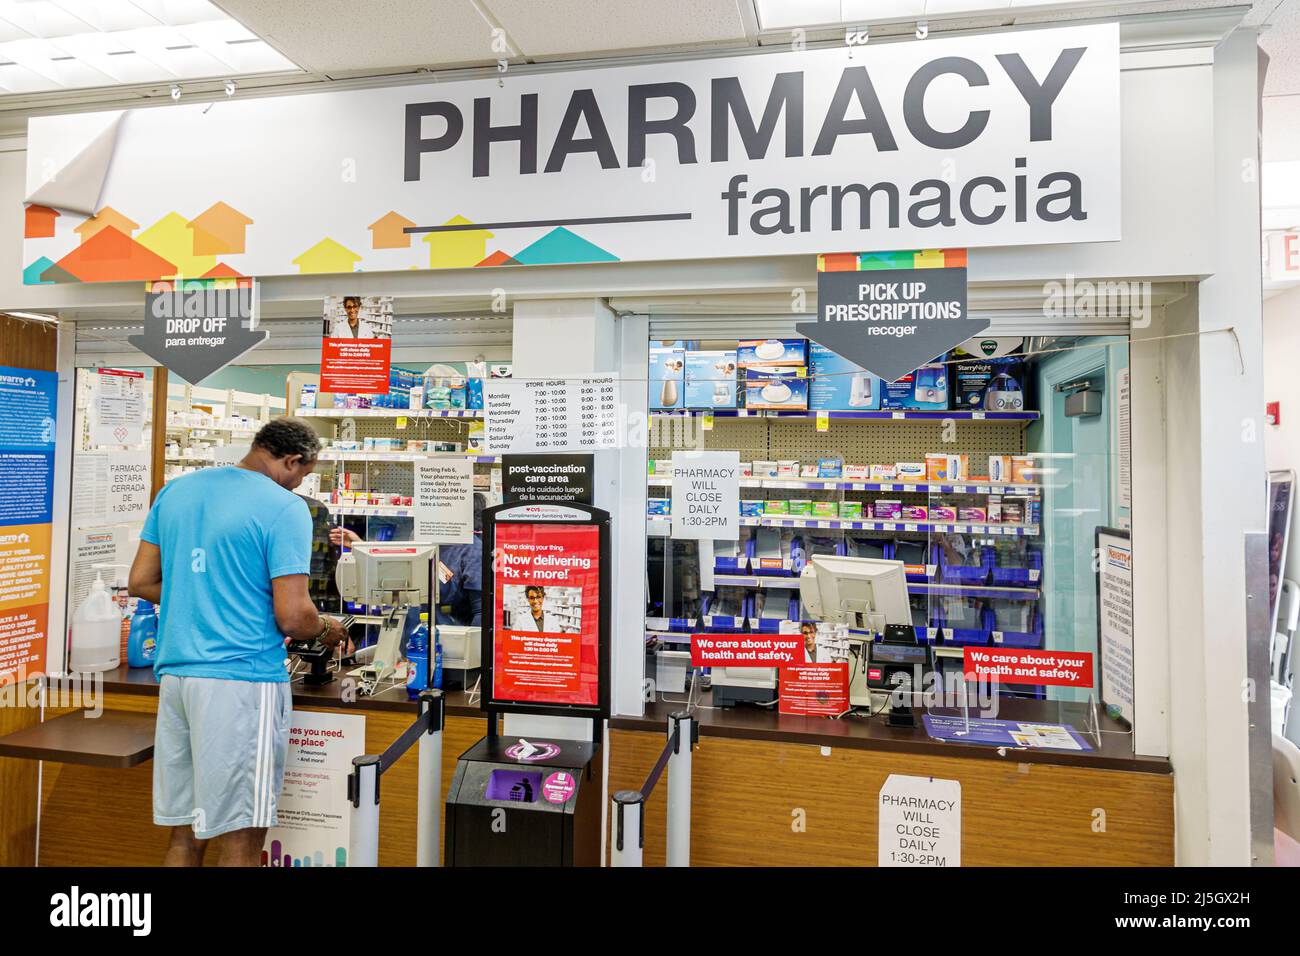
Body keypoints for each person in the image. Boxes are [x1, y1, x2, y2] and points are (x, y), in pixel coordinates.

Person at [128, 417, 349, 867]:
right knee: (242, 837)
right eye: (304, 475)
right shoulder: (284, 507)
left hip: (177, 678)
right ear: (292, 461)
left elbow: (141, 581)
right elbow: (293, 616)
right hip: (242, 682)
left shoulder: (176, 492)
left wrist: (206, 596)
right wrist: (329, 629)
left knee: (186, 835)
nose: (300, 483)